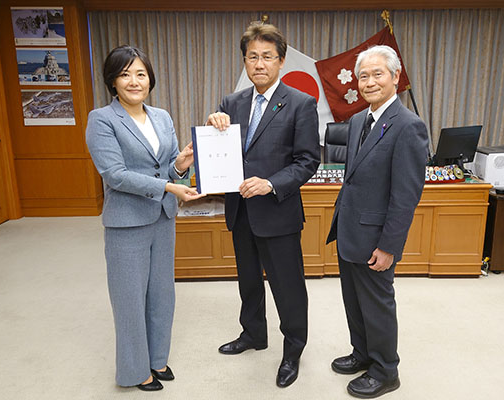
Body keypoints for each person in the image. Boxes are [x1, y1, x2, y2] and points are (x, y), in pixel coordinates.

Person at [206, 22, 320, 388]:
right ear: (244, 61)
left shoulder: (301, 104)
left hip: (278, 211)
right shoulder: (230, 103)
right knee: (249, 282)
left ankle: (293, 349)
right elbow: (220, 152)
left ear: (281, 61)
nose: (259, 63)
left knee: (288, 287)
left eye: (267, 57)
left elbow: (307, 161)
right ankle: (253, 334)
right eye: (252, 56)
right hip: (240, 211)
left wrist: (271, 183)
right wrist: (213, 125)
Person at [85, 45, 204, 391]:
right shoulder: (102, 120)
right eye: (125, 74)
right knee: (130, 300)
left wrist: (181, 166)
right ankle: (136, 370)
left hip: (162, 218)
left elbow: (167, 167)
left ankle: (157, 359)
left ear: (150, 78)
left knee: (162, 294)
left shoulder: (162, 117)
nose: (134, 81)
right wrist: (169, 185)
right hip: (127, 223)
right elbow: (116, 175)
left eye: (140, 73)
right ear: (112, 81)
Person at [326, 45, 429, 399]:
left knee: (377, 303)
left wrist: (389, 247)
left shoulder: (409, 127)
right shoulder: (357, 120)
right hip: (349, 230)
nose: (369, 82)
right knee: (353, 301)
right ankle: (362, 353)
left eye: (377, 74)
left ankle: (386, 370)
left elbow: (405, 196)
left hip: (377, 239)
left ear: (395, 77)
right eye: (363, 76)